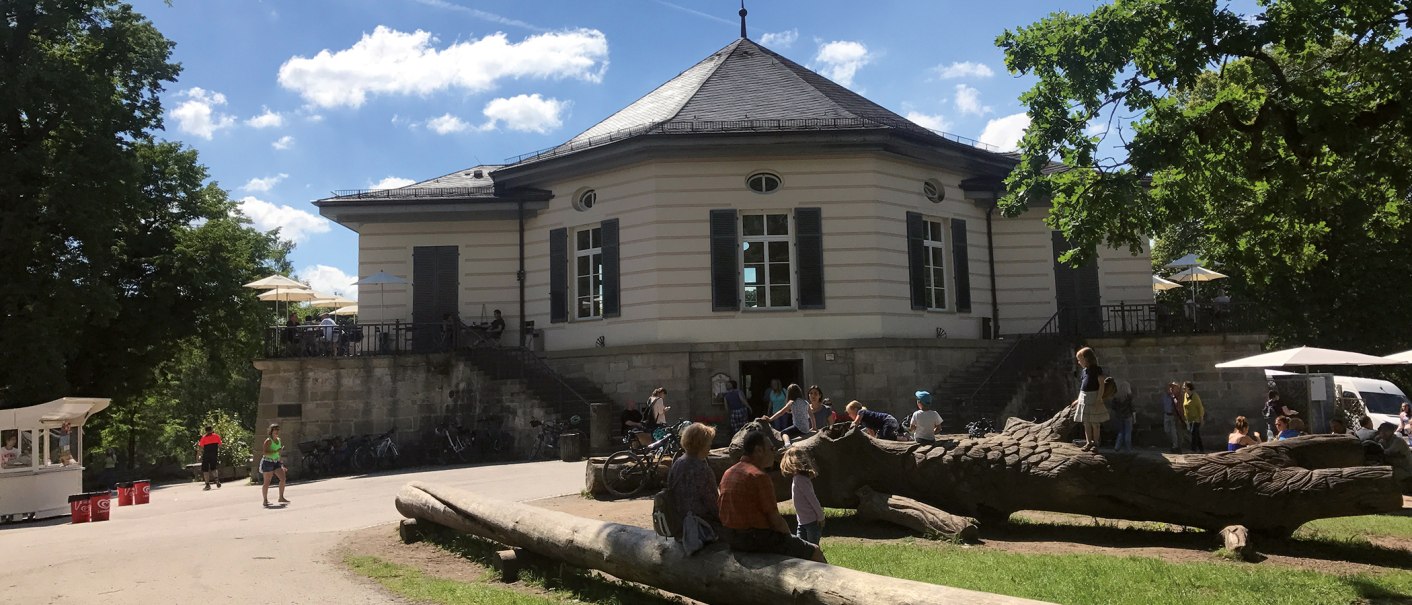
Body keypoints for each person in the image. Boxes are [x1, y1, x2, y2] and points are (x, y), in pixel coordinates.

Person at [718, 431, 826, 562]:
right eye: (771, 448)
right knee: (814, 551)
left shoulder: (729, 472)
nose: (774, 452)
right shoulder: (758, 476)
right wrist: (789, 538)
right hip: (756, 539)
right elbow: (775, 518)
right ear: (758, 450)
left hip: (731, 537)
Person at [666, 423, 721, 551]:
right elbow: (713, 503)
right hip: (699, 526)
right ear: (701, 445)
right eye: (708, 444)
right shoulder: (701, 468)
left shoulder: (678, 463)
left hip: (678, 523)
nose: (710, 447)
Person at [780, 448, 824, 546]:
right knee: (801, 548)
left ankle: (821, 561)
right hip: (802, 521)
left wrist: (820, 517)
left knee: (813, 549)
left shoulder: (801, 480)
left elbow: (812, 499)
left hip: (811, 522)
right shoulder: (797, 478)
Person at [1071, 347, 1108, 452]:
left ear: (1086, 358)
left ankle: (1096, 443)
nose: (1078, 362)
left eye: (1079, 359)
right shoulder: (1084, 371)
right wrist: (1078, 399)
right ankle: (1088, 442)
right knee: (1086, 422)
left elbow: (1101, 385)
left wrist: (1098, 398)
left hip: (1094, 397)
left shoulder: (1097, 370)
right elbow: (1083, 387)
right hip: (1084, 398)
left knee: (1095, 423)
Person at [260, 424, 290, 507]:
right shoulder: (268, 441)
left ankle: (281, 497)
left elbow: (279, 454)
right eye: (275, 430)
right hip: (268, 462)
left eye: (278, 429)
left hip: (276, 462)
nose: (277, 431)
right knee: (267, 481)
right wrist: (276, 451)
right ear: (271, 431)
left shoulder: (279, 440)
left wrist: (281, 464)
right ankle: (265, 500)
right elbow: (265, 453)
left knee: (283, 478)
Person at [1110, 380, 1135, 452]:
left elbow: (1113, 407)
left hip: (1119, 417)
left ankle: (1117, 446)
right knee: (1128, 432)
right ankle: (1128, 448)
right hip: (1128, 416)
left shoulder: (1116, 397)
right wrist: (1134, 418)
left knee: (1121, 432)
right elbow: (1132, 408)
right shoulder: (1129, 397)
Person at [1161, 382, 1186, 453]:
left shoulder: (1175, 397)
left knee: (1174, 432)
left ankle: (1175, 446)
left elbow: (1178, 406)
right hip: (1166, 415)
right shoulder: (1165, 396)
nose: (1170, 390)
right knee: (1167, 430)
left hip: (1173, 416)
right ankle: (1174, 444)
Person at [1183, 381, 1206, 453]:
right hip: (1189, 419)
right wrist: (1185, 418)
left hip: (1196, 419)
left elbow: (1200, 408)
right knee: (1196, 434)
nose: (1183, 387)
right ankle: (1201, 449)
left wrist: (1201, 419)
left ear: (1189, 387)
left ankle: (1193, 450)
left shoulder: (1195, 396)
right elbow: (1184, 406)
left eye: (1185, 386)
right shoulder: (1185, 395)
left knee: (1193, 432)